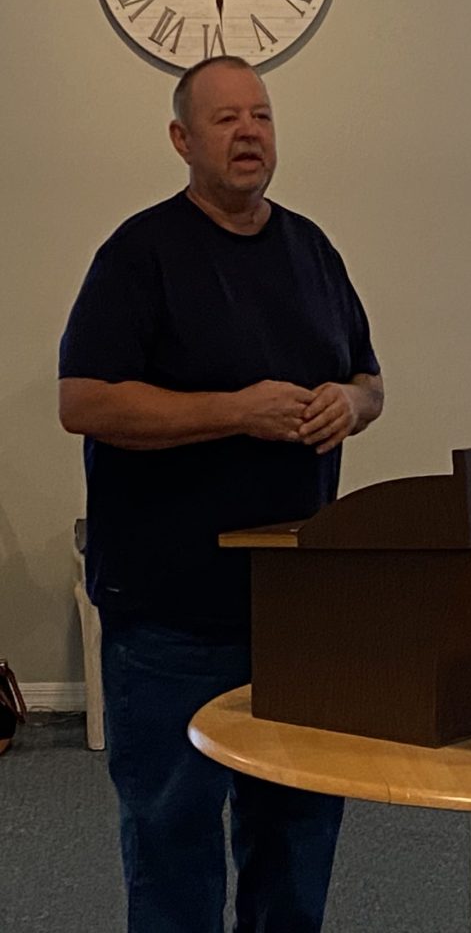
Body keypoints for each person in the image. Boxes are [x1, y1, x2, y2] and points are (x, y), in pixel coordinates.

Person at [58, 56, 384, 933]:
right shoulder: (138, 255)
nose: (250, 133)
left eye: (262, 116)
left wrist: (349, 404)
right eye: (227, 119)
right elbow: (83, 402)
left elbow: (370, 380)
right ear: (182, 139)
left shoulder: (312, 250)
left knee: (298, 838)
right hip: (170, 618)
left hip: (296, 611)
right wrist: (235, 411)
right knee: (174, 846)